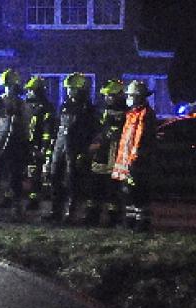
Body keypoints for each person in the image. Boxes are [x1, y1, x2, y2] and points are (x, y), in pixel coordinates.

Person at [44, 72, 97, 224]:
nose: (69, 91)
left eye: (72, 88)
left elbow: (91, 132)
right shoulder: (65, 106)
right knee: (55, 177)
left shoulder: (88, 109)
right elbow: (58, 128)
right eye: (68, 88)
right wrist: (52, 148)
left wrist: (84, 151)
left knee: (73, 181)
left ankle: (71, 212)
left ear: (81, 89)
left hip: (75, 149)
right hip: (60, 147)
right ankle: (56, 211)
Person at [112, 80, 158, 232]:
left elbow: (140, 139)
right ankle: (130, 222)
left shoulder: (145, 114)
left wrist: (134, 160)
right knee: (127, 192)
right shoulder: (131, 113)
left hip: (139, 161)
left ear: (139, 97)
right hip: (127, 161)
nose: (128, 98)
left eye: (131, 95)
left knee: (139, 193)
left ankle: (141, 224)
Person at [0, 69, 28, 220]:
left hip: (16, 144)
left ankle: (17, 210)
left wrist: (27, 142)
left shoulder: (22, 104)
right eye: (7, 85)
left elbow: (27, 125)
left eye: (11, 85)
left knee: (16, 179)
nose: (9, 89)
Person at [87, 79, 127, 226]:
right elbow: (99, 130)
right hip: (101, 153)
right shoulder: (103, 111)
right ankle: (93, 216)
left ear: (119, 95)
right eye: (106, 95)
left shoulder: (124, 113)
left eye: (110, 95)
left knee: (113, 189)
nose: (107, 98)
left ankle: (113, 218)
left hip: (114, 154)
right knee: (95, 186)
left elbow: (115, 134)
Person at [22, 76, 56, 211]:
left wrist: (44, 148)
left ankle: (34, 200)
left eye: (30, 90)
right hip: (27, 144)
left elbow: (48, 130)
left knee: (36, 173)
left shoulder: (46, 108)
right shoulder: (28, 106)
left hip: (37, 146)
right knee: (26, 173)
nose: (28, 92)